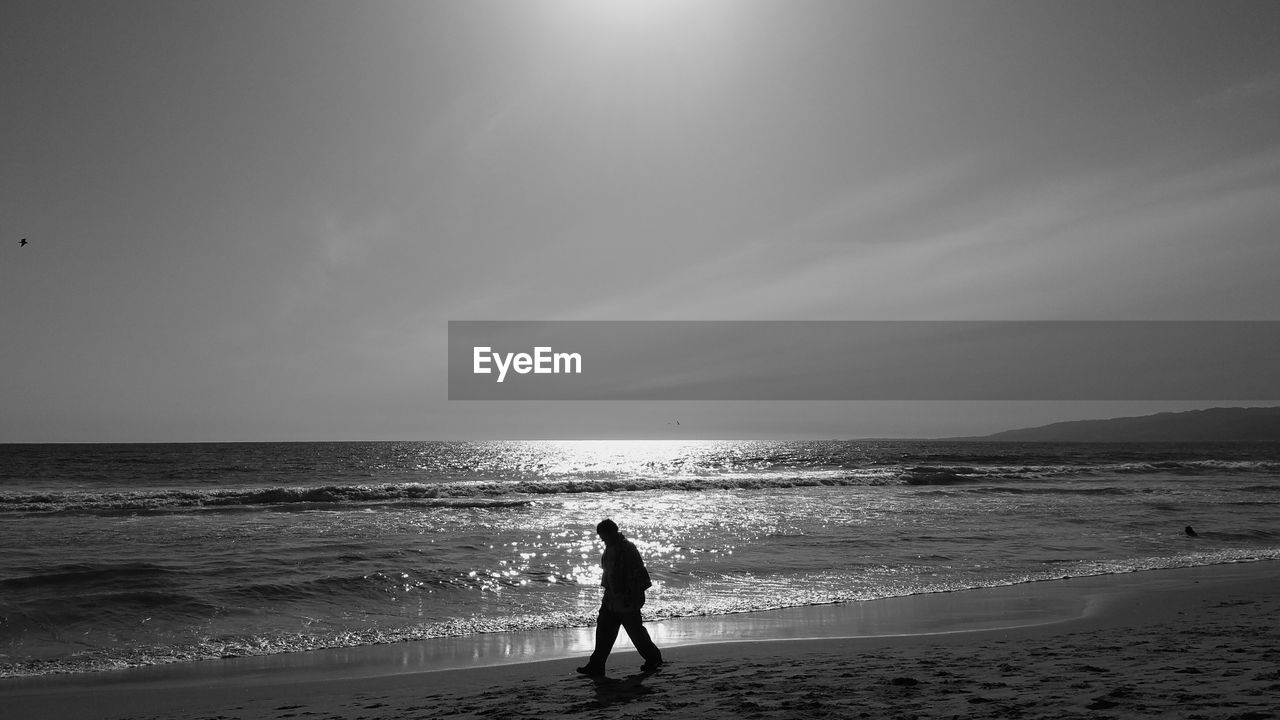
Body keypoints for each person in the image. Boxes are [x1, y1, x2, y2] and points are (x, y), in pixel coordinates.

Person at [576, 518, 664, 676]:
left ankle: (654, 658)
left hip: (627, 599)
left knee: (635, 632)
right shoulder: (611, 547)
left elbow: (638, 573)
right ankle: (596, 664)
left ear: (610, 533)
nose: (601, 539)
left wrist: (631, 596)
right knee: (604, 632)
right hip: (611, 599)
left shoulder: (626, 548)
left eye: (603, 535)